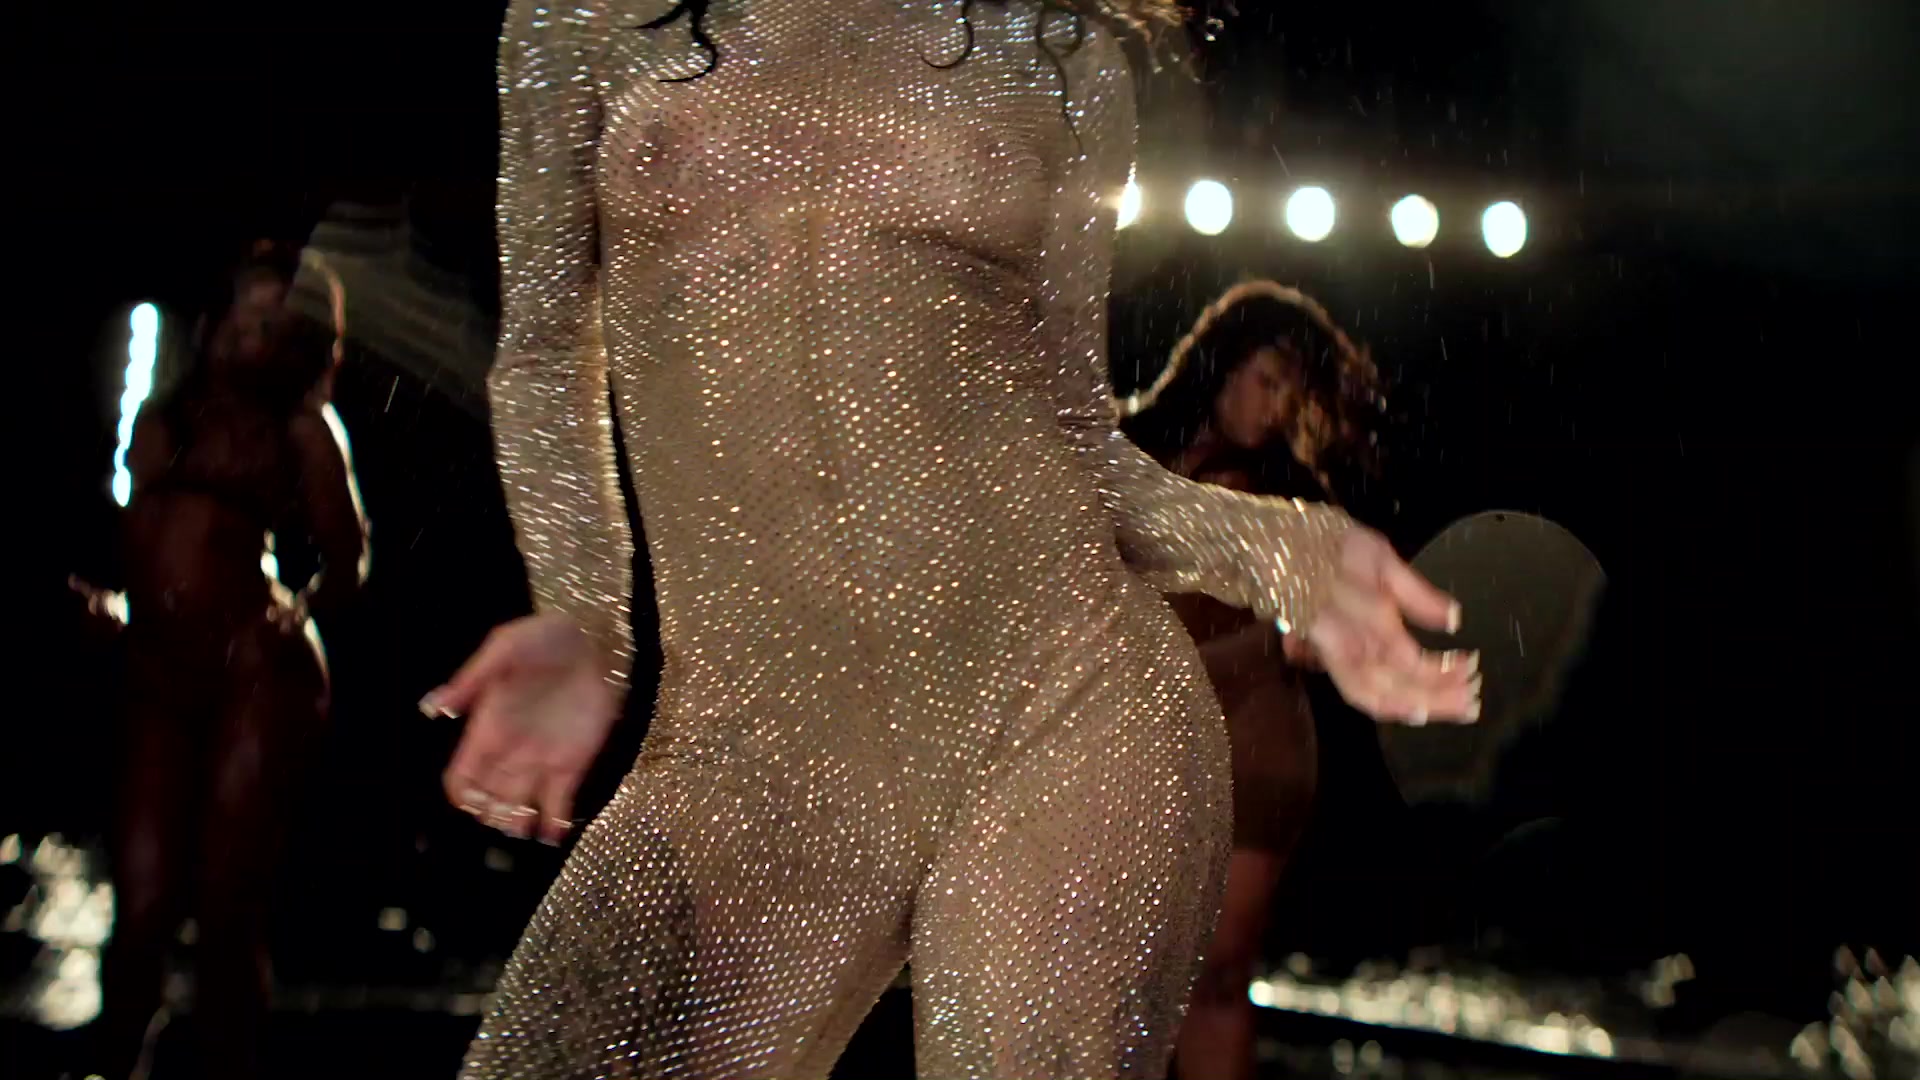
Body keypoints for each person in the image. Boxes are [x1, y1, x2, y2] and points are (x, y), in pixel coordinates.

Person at [424, 3, 1478, 1077]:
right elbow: (543, 353)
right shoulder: (581, 19)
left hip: (1063, 704)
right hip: (749, 749)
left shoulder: (1058, 52)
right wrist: (581, 610)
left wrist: (1287, 551)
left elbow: (1078, 438)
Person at [1122, 281, 1456, 1080]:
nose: (1275, 408)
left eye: (1291, 394)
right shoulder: (1130, 456)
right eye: (1266, 381)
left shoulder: (1292, 495)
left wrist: (1306, 630)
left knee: (1217, 973)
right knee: (1124, 975)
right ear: (1221, 362)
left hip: (1253, 739)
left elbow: (1335, 606)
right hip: (1140, 740)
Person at [81, 242, 365, 1080]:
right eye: (248, 309)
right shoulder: (165, 410)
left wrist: (296, 612)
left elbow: (349, 557)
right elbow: (145, 540)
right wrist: (117, 605)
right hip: (158, 671)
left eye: (276, 320)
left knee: (225, 901)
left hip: (255, 680)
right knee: (141, 899)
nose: (255, 331)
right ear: (219, 315)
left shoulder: (301, 427)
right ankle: (117, 1060)